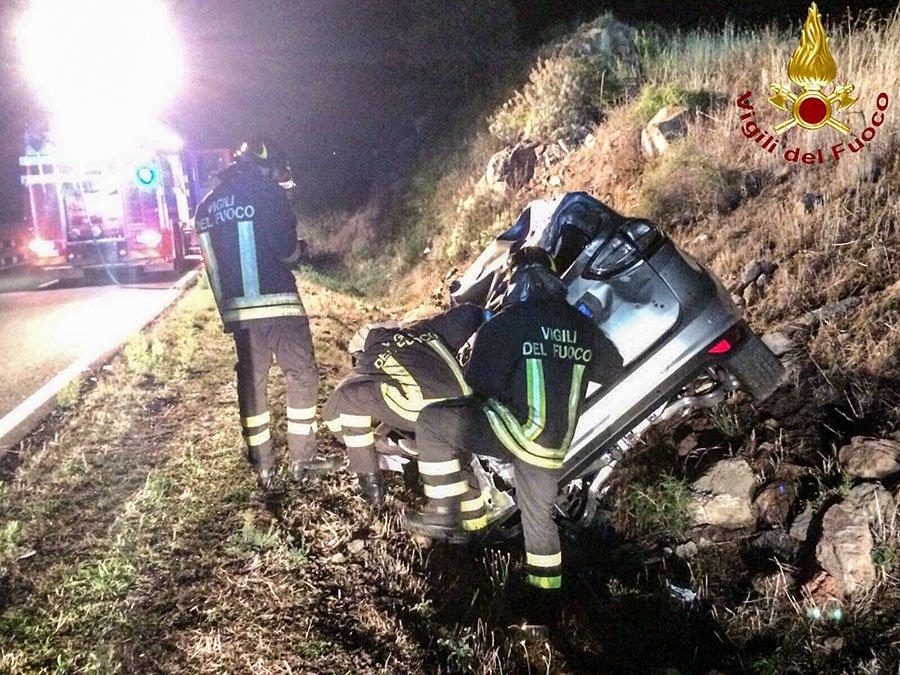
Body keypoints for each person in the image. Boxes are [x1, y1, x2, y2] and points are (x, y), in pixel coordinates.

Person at [407, 246, 624, 592]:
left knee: (434, 422)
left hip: (515, 430)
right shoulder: (581, 326)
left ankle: (445, 513)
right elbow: (614, 367)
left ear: (513, 279)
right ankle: (544, 609)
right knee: (540, 524)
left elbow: (479, 383)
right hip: (553, 446)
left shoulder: (508, 322)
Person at [194, 138, 335, 489]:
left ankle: (263, 466)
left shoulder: (206, 208)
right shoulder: (268, 193)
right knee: (301, 375)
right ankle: (303, 460)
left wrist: (228, 312)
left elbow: (212, 267)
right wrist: (302, 251)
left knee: (252, 383)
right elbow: (287, 252)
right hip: (279, 304)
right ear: (266, 167)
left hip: (238, 313)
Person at [323, 303, 485, 508]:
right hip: (466, 405)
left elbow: (334, 408)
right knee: (459, 459)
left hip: (423, 407)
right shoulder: (426, 331)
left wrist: (361, 443)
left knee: (350, 399)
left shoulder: (373, 352)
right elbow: (470, 313)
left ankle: (370, 488)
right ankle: (475, 523)